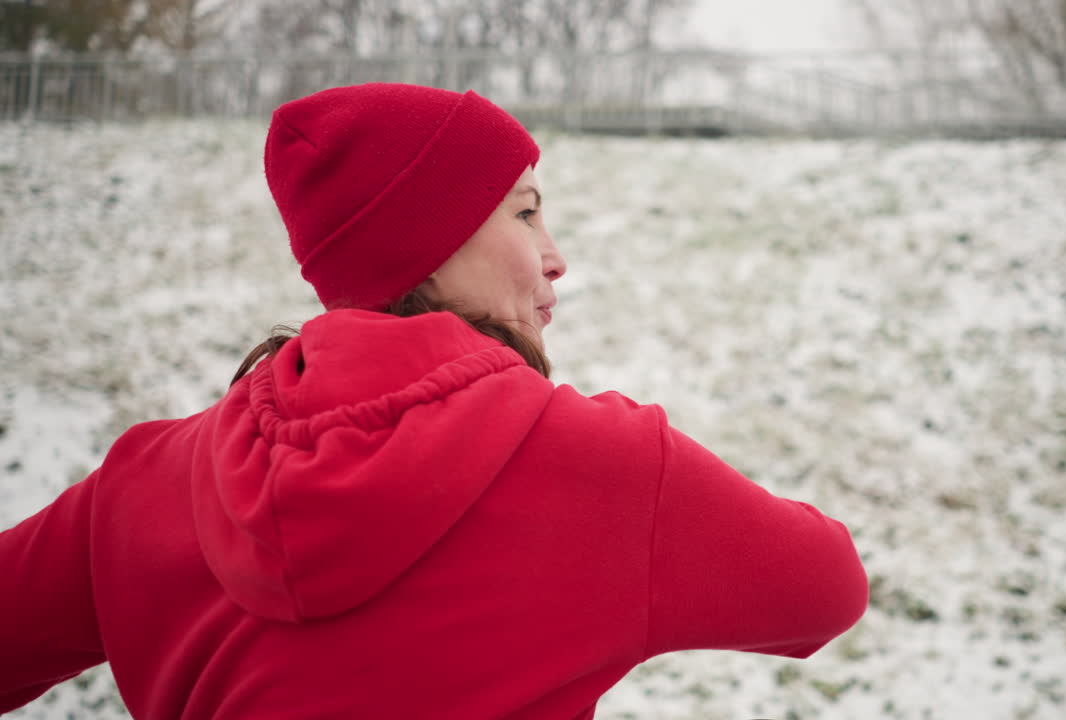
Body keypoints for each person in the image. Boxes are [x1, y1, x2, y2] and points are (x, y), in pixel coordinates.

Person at [0, 83, 868, 719]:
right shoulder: (604, 467)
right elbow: (826, 587)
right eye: (526, 214)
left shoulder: (144, 479)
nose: (556, 256)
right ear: (430, 247)